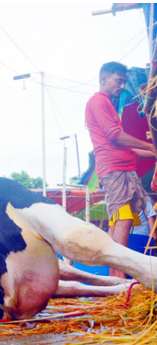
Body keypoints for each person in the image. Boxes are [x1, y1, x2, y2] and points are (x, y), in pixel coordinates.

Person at [85, 61, 156, 278]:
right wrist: (150, 146)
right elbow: (114, 135)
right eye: (119, 81)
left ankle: (115, 277)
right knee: (124, 218)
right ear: (103, 79)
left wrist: (152, 152)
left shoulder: (108, 104)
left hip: (124, 167)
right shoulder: (98, 101)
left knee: (121, 219)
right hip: (114, 170)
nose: (123, 86)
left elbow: (126, 148)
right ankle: (121, 280)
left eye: (124, 82)